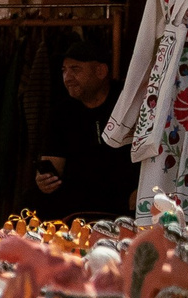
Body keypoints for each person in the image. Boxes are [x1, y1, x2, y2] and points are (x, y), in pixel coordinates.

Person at [29, 34, 138, 218]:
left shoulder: (129, 103)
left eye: (75, 69)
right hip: (76, 204)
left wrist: (142, 190)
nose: (67, 77)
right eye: (64, 70)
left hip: (122, 202)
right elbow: (52, 164)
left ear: (101, 71)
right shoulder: (62, 111)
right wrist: (43, 181)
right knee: (31, 202)